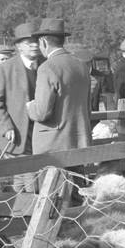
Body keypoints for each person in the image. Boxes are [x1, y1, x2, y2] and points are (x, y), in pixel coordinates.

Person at [26, 19, 92, 154]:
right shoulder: (82, 66)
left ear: (43, 42)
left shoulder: (47, 68)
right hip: (79, 142)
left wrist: (30, 106)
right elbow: (87, 106)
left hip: (53, 146)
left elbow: (41, 112)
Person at [0, 21, 42, 192]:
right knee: (29, 178)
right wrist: (6, 127)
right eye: (29, 43)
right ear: (19, 46)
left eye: (36, 41)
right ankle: (29, 212)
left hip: (42, 133)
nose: (34, 45)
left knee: (25, 179)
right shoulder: (5, 69)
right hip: (18, 133)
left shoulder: (47, 64)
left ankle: (23, 214)